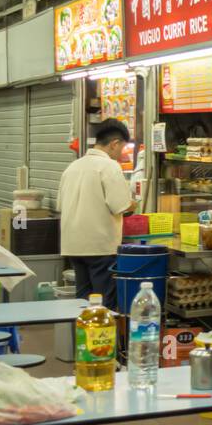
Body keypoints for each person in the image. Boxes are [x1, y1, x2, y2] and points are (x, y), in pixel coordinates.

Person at [56, 120, 135, 306]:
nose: (121, 153)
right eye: (122, 148)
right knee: (103, 303)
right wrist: (134, 204)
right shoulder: (108, 166)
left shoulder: (73, 167)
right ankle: (102, 335)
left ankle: (80, 334)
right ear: (114, 143)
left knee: (82, 300)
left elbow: (61, 204)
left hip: (73, 245)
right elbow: (121, 206)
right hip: (100, 247)